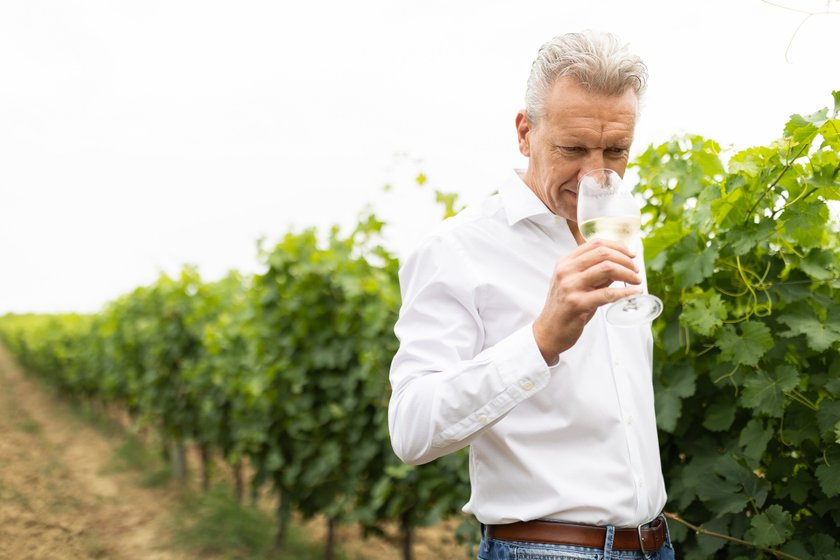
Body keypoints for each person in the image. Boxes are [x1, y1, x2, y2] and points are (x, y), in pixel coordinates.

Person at [387, 30, 674, 559]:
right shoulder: (457, 249)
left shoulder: (614, 230)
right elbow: (411, 428)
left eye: (616, 150)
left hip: (654, 546)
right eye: (573, 149)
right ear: (525, 131)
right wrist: (540, 341)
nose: (597, 173)